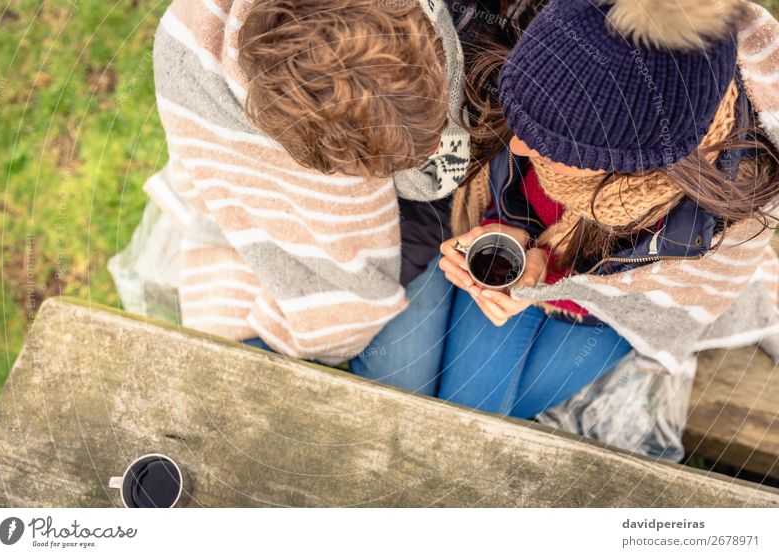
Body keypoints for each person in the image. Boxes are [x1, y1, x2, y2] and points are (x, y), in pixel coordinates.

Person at [437, 0, 779, 421]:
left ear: (631, 163)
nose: (517, 146)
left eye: (549, 147)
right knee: (465, 408)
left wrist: (552, 277)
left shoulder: (724, 210)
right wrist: (510, 233)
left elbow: (653, 303)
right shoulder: (568, 48)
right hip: (532, 265)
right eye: (520, 124)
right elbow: (512, 183)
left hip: (601, 316)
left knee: (474, 412)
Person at [146, 0, 470, 376]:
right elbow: (209, 161)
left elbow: (431, 182)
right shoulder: (188, 47)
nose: (436, 148)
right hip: (251, 226)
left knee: (406, 387)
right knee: (232, 366)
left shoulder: (428, 34)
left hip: (421, 231)